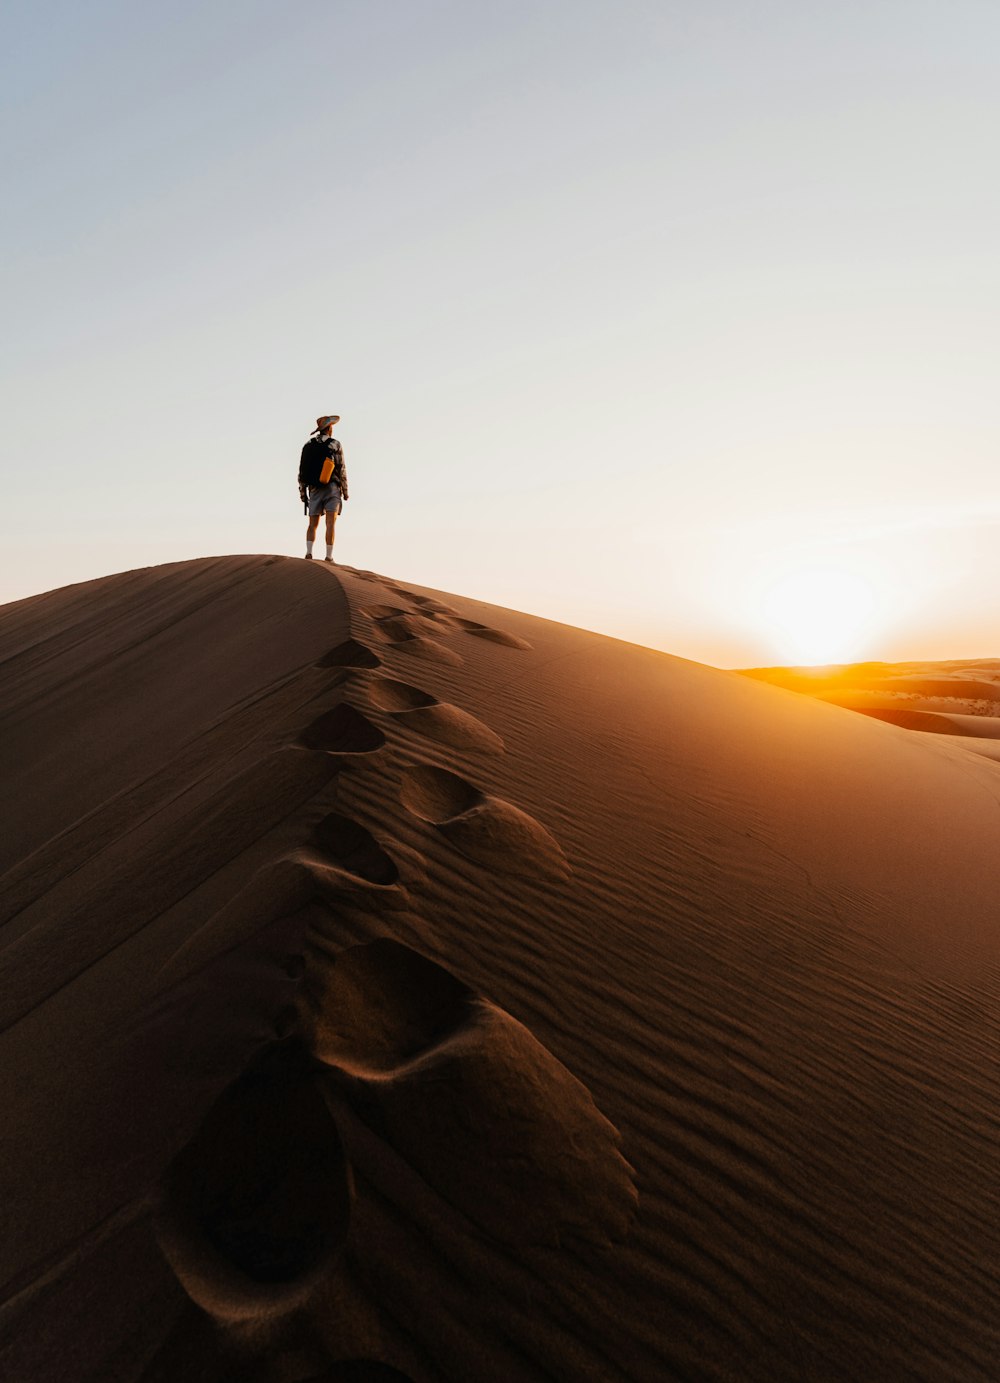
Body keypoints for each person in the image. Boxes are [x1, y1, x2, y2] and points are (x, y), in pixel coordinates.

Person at [298, 414, 349, 561]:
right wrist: (345, 491)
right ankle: (329, 556)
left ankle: (309, 553)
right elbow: (341, 468)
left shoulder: (307, 445)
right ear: (330, 428)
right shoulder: (335, 444)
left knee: (312, 524)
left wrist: (303, 493)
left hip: (313, 489)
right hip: (331, 487)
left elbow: (301, 471)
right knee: (330, 522)